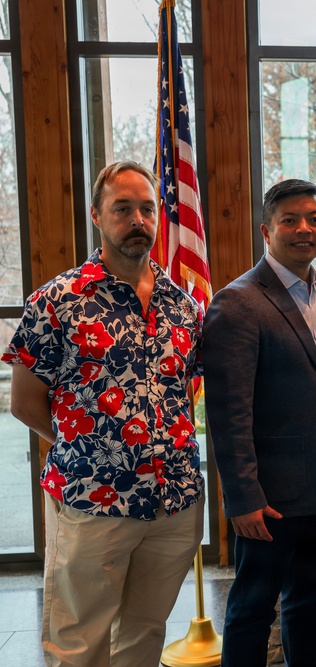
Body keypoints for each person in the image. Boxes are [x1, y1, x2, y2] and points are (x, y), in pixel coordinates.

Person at [2, 160, 204, 666]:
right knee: (79, 641)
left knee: (144, 633)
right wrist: (91, 446)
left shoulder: (183, 306)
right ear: (96, 214)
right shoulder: (58, 301)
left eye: (147, 209)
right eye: (122, 208)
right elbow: (24, 402)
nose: (137, 219)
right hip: (93, 499)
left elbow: (187, 391)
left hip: (173, 501)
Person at [203, 179, 316, 667]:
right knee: (252, 610)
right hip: (271, 503)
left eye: (314, 219)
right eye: (290, 220)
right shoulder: (238, 303)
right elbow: (228, 414)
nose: (304, 229)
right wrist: (244, 497)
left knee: (308, 604)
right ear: (266, 230)